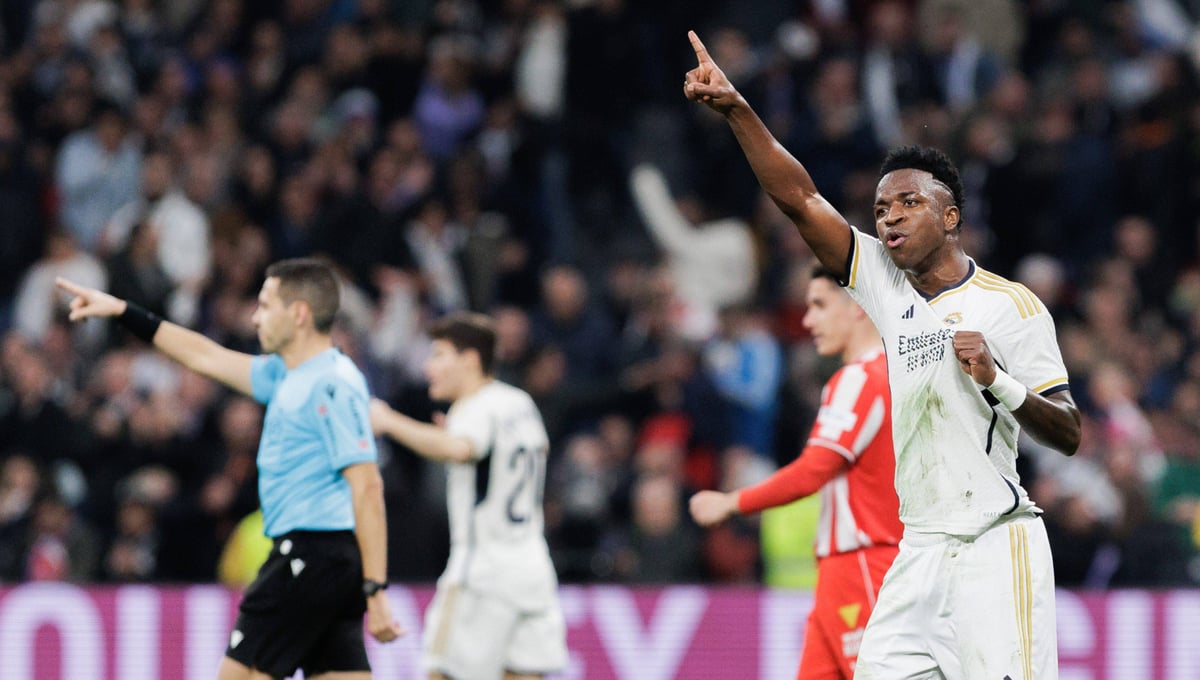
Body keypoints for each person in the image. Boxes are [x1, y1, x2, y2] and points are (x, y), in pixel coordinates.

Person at [684, 31, 1081, 679]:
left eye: (909, 203)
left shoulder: (1010, 306)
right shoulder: (885, 285)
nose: (890, 217)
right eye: (880, 208)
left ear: (951, 217)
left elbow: (1067, 432)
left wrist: (999, 381)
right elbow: (799, 199)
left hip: (992, 542)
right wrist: (737, 110)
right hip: (917, 549)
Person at [56, 258, 402, 680]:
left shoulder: (332, 383)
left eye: (265, 305)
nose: (255, 317)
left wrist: (376, 589)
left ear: (299, 313)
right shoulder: (285, 374)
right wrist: (124, 312)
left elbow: (367, 487)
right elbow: (206, 356)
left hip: (309, 555)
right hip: (325, 561)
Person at [689, 267, 901, 679]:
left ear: (858, 306)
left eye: (819, 305)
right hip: (843, 569)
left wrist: (731, 502)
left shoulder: (859, 378)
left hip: (861, 563)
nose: (807, 320)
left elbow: (813, 471)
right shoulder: (892, 377)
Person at [369, 312, 567, 680]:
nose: (429, 366)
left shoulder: (476, 407)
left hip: (482, 575)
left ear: (471, 360)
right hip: (533, 570)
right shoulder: (520, 402)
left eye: (439, 355)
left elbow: (460, 449)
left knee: (442, 674)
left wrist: (389, 421)